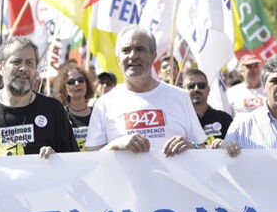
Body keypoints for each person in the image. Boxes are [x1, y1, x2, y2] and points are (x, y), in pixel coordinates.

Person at [0, 37, 78, 160]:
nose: (24, 68)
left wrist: (56, 158)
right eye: (17, 62)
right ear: (1, 68)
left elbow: (74, 163)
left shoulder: (53, 109)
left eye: (30, 63)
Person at [85, 26, 204, 155]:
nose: (133, 56)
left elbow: (202, 147)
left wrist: (190, 146)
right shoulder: (104, 104)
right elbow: (91, 157)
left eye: (140, 49)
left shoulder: (180, 97)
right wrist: (115, 145)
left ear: (154, 55)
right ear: (118, 59)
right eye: (126, 50)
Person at [52, 62, 96, 151]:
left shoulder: (98, 113)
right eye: (71, 82)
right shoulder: (61, 117)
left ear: (86, 84)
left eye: (80, 80)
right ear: (64, 88)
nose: (77, 84)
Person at [181, 68, 232, 144]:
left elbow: (236, 146)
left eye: (201, 85)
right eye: (191, 86)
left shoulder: (224, 118)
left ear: (208, 90)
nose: (196, 89)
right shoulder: (178, 119)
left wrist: (225, 144)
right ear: (183, 91)